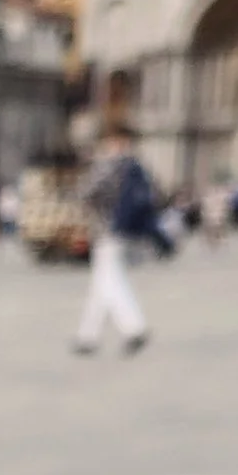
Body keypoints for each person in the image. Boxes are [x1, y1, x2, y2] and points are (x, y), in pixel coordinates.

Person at [72, 123, 159, 356]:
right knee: (101, 283)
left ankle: (134, 328)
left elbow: (85, 192)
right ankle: (87, 336)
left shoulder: (110, 165)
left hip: (107, 229)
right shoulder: (136, 167)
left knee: (110, 280)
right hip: (127, 231)